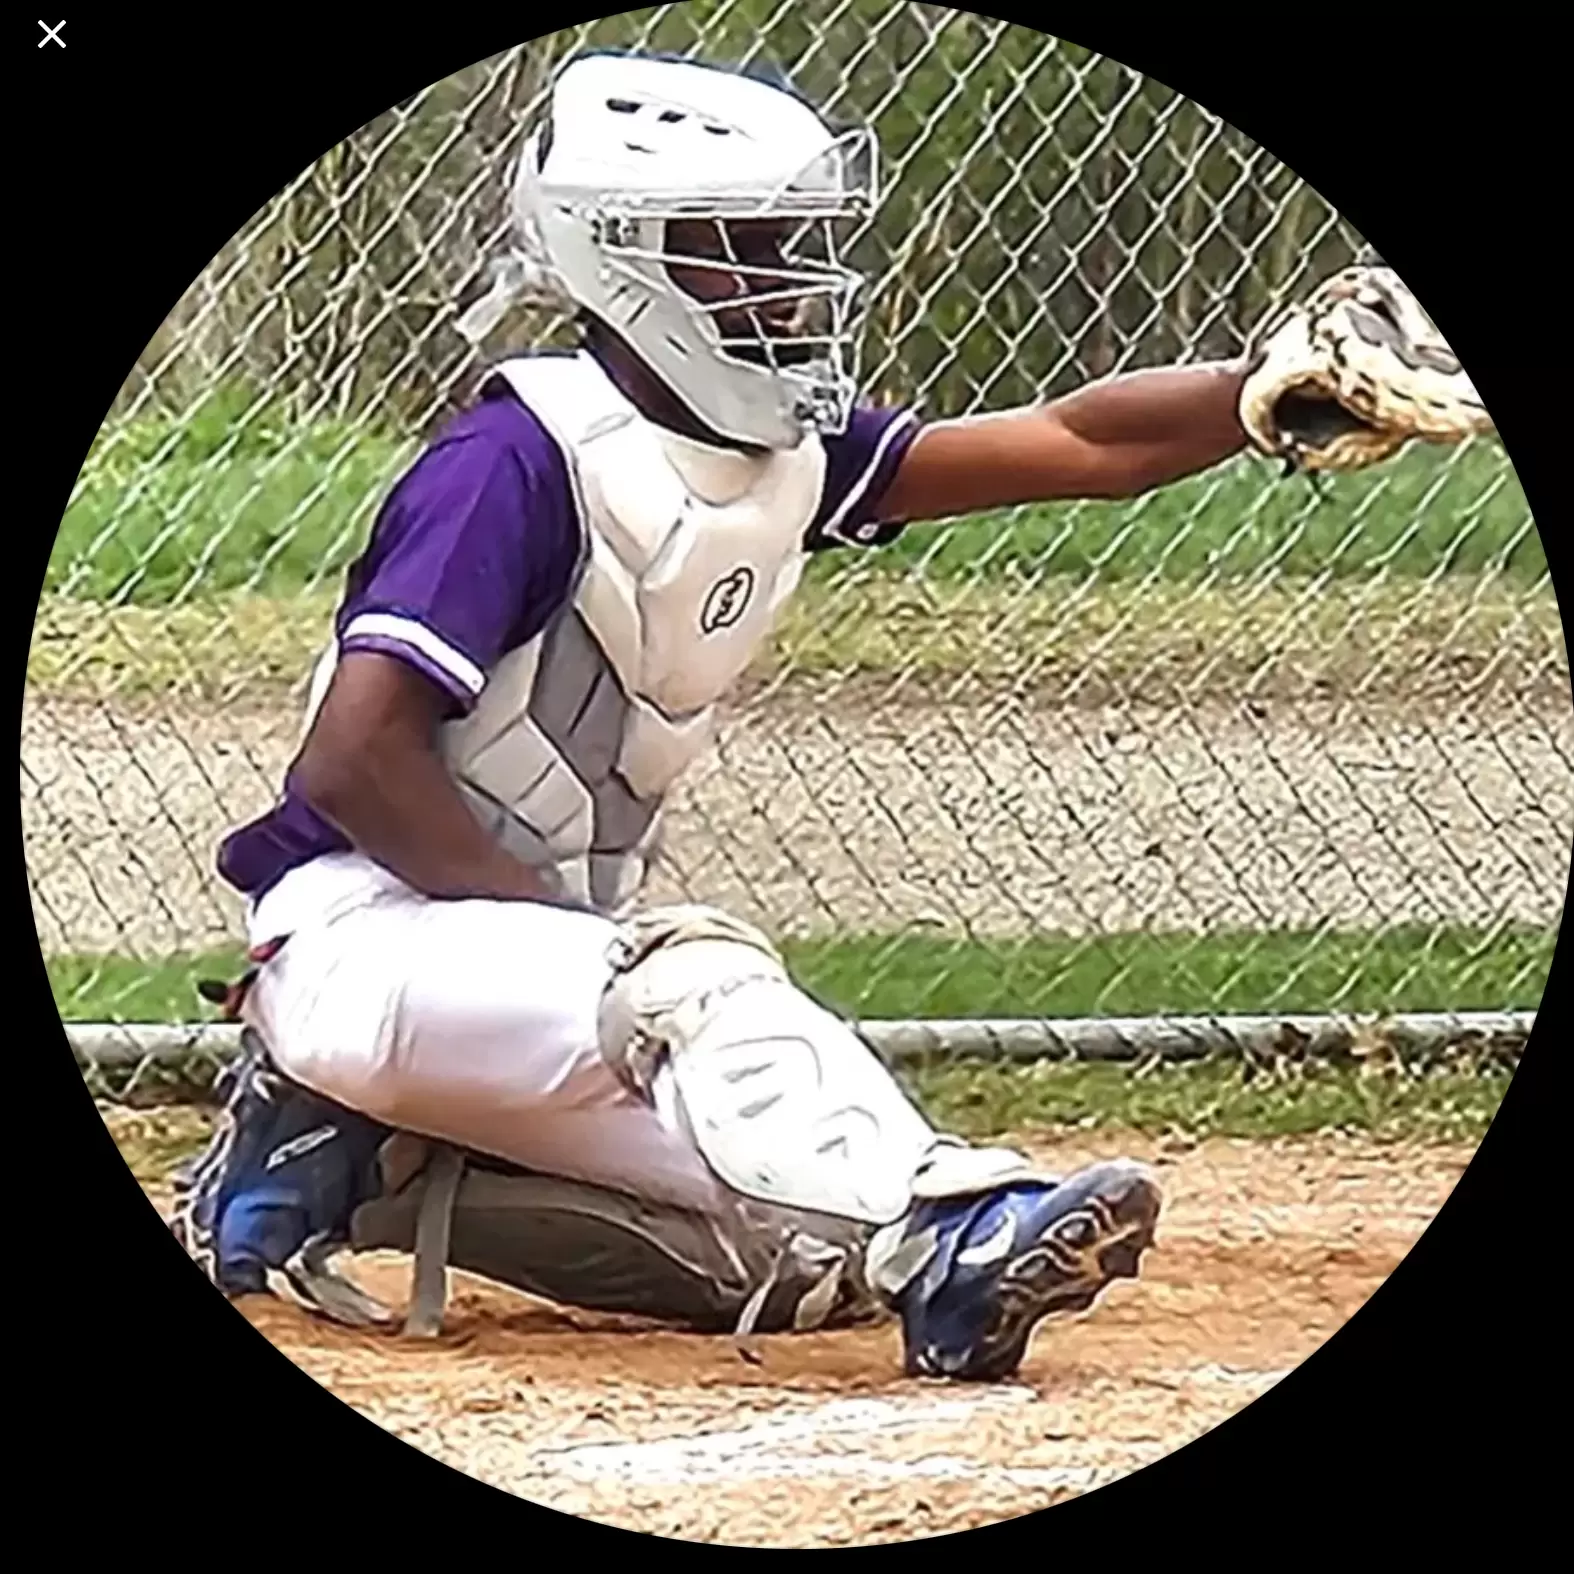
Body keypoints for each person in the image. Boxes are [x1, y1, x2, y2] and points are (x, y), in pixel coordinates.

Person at [167, 49, 1271, 1382]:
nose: (791, 282)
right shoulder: (512, 461)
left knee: (804, 1251)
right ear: (629, 258)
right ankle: (958, 1234)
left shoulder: (779, 454)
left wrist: (1266, 390)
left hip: (526, 983)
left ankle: (345, 1164)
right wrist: (575, 945)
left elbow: (1083, 445)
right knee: (692, 978)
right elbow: (352, 759)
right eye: (746, 249)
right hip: (365, 939)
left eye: (793, 246)